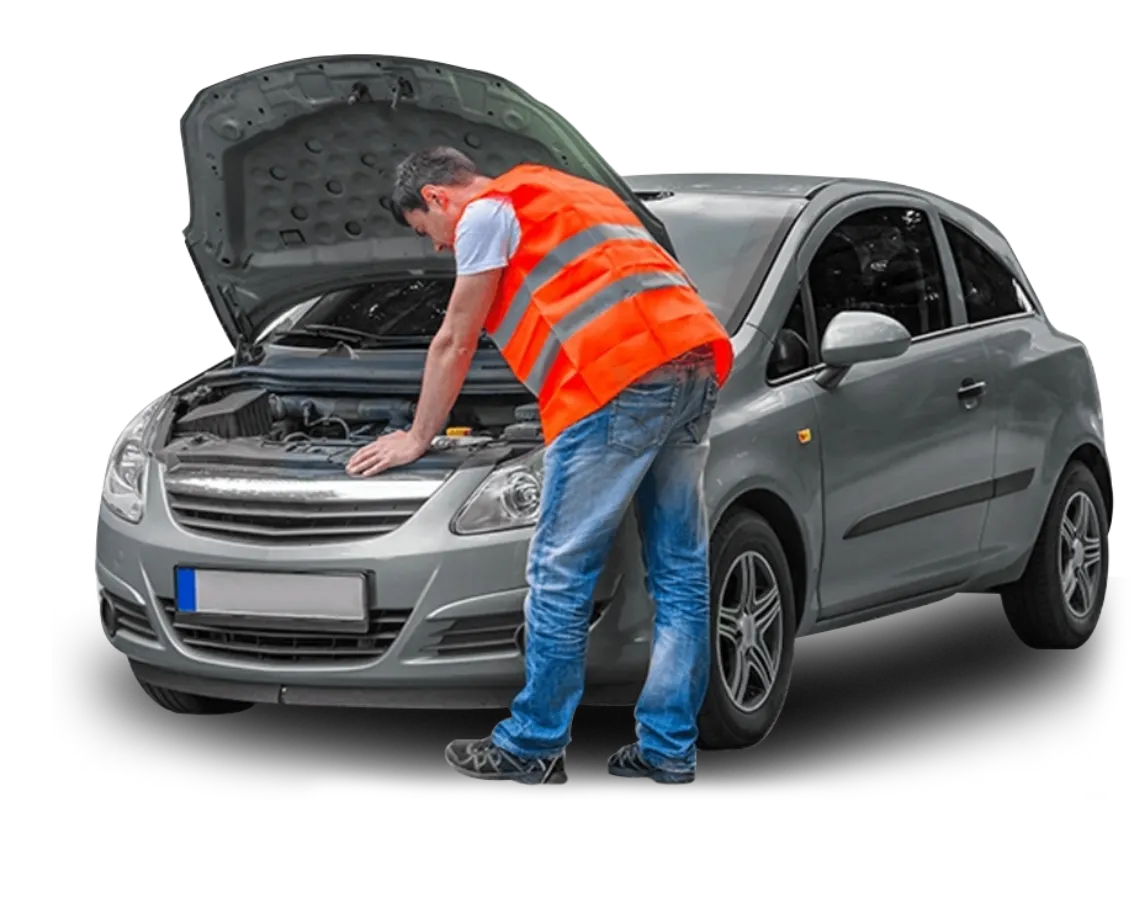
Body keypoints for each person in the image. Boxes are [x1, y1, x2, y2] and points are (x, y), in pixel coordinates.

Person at [346, 147, 734, 786]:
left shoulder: (484, 214)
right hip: (691, 364)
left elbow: (456, 336)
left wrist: (418, 436)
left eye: (426, 233)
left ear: (439, 198)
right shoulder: (567, 191)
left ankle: (532, 745)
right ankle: (669, 749)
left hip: (617, 384)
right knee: (681, 573)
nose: (440, 249)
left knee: (558, 570)